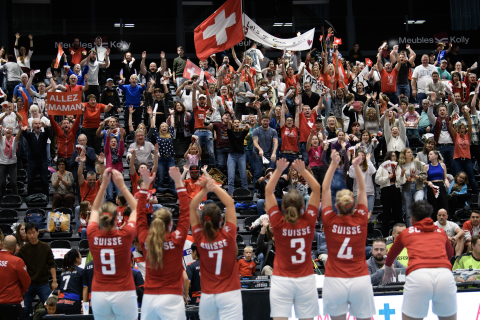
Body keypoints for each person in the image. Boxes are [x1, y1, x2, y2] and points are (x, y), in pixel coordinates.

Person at [321, 150, 376, 320]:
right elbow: (361, 189)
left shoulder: (330, 220)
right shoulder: (360, 219)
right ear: (354, 206)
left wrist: (333, 164)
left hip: (334, 279)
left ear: (336, 205)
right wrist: (356, 166)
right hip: (359, 278)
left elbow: (325, 188)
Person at [262, 158, 320, 319]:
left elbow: (268, 191)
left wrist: (279, 169)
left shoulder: (278, 223)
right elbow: (316, 188)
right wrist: (302, 170)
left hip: (282, 280)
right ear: (303, 206)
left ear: (283, 207)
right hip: (305, 280)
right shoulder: (308, 221)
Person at [384, 200, 456, 320]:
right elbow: (450, 253)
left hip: (418, 276)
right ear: (429, 216)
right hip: (444, 275)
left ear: (412, 218)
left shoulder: (406, 233)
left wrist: (388, 266)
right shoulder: (441, 232)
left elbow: (391, 254)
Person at [136, 166, 190, 319]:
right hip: (172, 298)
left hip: (149, 299)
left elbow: (140, 214)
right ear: (170, 224)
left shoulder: (146, 240)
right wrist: (179, 183)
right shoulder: (177, 239)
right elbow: (185, 212)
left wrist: (145, 185)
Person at [87, 168, 138, 320]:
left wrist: (103, 186)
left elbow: (94, 208)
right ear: (117, 219)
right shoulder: (125, 235)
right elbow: (136, 208)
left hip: (99, 293)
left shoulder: (92, 234)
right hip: (124, 292)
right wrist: (122, 186)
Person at [189, 174, 242, 319]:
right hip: (230, 294)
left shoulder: (200, 237)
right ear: (221, 220)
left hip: (207, 296)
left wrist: (205, 190)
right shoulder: (228, 235)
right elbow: (230, 203)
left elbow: (192, 207)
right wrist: (213, 186)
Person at [18, 223, 57, 320]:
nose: (32, 235)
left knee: (49, 306)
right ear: (26, 234)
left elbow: (52, 264)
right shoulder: (23, 250)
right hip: (28, 284)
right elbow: (19, 268)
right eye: (29, 233)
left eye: (33, 232)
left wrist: (54, 280)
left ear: (38, 232)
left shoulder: (45, 247)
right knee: (26, 309)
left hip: (43, 282)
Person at [448, 108, 479, 199]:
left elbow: (470, 125)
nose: (462, 129)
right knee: (457, 180)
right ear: (458, 129)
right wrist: (452, 118)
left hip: (467, 160)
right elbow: (450, 127)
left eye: (463, 128)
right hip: (457, 160)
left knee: (472, 179)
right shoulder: (456, 136)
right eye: (460, 128)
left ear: (465, 129)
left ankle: (476, 197)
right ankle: (456, 197)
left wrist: (467, 115)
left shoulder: (468, 136)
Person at [0, 235, 30, 320]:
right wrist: (21, 292)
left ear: (2, 244)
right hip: (12, 303)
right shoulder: (17, 261)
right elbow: (26, 281)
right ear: (15, 247)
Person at [396, 148, 427, 226]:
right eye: (408, 152)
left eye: (411, 152)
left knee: (418, 205)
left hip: (418, 187)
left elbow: (424, 175)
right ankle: (410, 229)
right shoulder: (400, 165)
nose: (411, 153)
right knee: (409, 212)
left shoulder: (417, 163)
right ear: (404, 155)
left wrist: (418, 177)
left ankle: (419, 227)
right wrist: (405, 179)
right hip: (407, 188)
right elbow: (399, 180)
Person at [75, 151, 105, 231]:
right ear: (87, 179)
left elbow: (103, 174)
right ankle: (79, 231)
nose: (92, 181)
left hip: (95, 207)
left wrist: (101, 163)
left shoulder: (97, 183)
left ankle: (100, 229)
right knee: (78, 208)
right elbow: (79, 174)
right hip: (84, 207)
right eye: (90, 180)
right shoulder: (83, 183)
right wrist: (82, 162)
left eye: (93, 180)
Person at [375, 151, 403, 237]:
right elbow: (377, 180)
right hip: (386, 191)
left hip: (396, 190)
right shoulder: (382, 166)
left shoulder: (398, 166)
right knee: (386, 214)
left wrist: (401, 176)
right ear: (388, 157)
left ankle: (399, 234)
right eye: (393, 156)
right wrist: (387, 177)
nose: (394, 158)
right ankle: (385, 235)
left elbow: (402, 181)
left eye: (395, 156)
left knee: (397, 213)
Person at [22, 119, 51, 199]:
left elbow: (49, 132)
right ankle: (30, 198)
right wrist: (23, 129)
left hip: (43, 161)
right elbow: (24, 132)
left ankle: (46, 198)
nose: (38, 125)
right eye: (36, 124)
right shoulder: (30, 135)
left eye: (39, 123)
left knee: (44, 180)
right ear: (32, 126)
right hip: (32, 161)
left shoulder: (43, 135)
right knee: (30, 180)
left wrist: (46, 127)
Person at [427, 93, 455, 172]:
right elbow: (429, 114)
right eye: (440, 110)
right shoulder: (436, 120)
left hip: (451, 146)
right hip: (440, 147)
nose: (442, 111)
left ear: (447, 112)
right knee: (442, 167)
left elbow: (456, 111)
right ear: (438, 113)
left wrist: (452, 99)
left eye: (443, 110)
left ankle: (453, 183)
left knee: (453, 166)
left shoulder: (451, 119)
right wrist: (431, 103)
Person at [192, 82, 215, 166]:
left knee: (211, 152)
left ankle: (213, 169)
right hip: (198, 131)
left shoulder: (208, 108)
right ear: (198, 101)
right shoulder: (196, 108)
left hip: (208, 131)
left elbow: (209, 98)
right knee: (197, 153)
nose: (202, 100)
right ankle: (197, 169)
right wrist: (194, 88)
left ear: (205, 101)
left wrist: (206, 88)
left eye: (203, 99)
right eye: (200, 99)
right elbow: (193, 99)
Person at [252, 114, 278, 186]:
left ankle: (270, 190)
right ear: (261, 121)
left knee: (271, 173)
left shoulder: (273, 131)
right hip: (258, 154)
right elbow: (255, 142)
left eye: (267, 121)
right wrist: (260, 149)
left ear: (269, 121)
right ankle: (256, 192)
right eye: (264, 121)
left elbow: (275, 142)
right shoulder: (256, 130)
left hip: (269, 155)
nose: (265, 122)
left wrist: (274, 153)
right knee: (257, 173)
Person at [56, 249, 83, 314]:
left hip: (60, 304)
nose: (81, 257)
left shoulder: (63, 272)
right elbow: (85, 288)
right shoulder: (81, 271)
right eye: (80, 255)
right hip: (73, 304)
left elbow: (59, 291)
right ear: (77, 258)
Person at [226, 119, 250, 195]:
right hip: (232, 156)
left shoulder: (241, 133)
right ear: (233, 124)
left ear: (239, 124)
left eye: (238, 123)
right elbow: (229, 129)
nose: (236, 124)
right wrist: (229, 123)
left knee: (243, 177)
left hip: (241, 156)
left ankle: (246, 194)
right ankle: (230, 195)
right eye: (235, 122)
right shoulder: (231, 132)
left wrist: (247, 126)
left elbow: (246, 130)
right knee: (231, 177)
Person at [424, 150, 449, 218]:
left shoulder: (442, 165)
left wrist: (446, 181)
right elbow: (424, 180)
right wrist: (429, 182)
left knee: (444, 205)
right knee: (433, 206)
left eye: (431, 154)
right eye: (428, 154)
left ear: (436, 156)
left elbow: (445, 177)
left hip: (441, 185)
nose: (429, 155)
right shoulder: (427, 166)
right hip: (432, 186)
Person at [0, 125, 22, 201]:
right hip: (2, 163)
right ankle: (2, 199)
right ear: (4, 131)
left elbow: (18, 136)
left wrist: (20, 129)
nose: (9, 130)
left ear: (12, 132)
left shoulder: (14, 140)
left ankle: (16, 199)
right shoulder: (1, 139)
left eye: (10, 129)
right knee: (2, 183)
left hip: (12, 164)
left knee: (13, 183)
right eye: (7, 129)